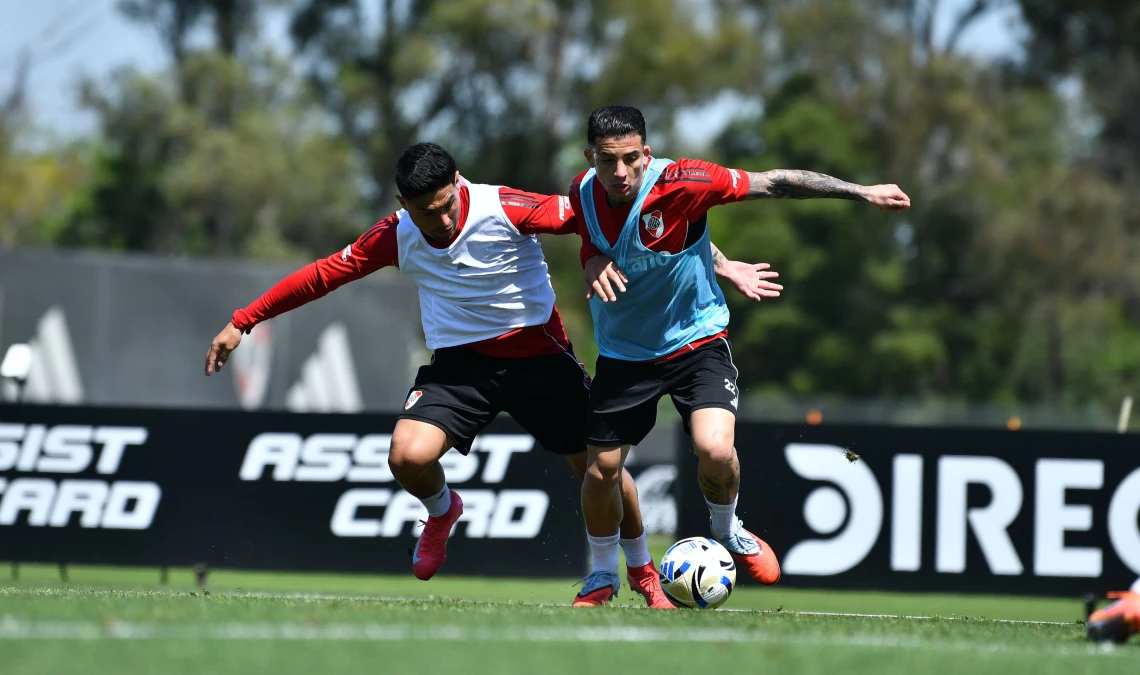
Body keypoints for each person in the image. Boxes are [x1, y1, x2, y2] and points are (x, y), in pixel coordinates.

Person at [205, 142, 779, 608]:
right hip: (461, 368)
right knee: (406, 456)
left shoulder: (505, 206)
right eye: (425, 212)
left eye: (446, 204)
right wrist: (243, 320)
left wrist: (717, 262)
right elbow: (322, 275)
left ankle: (642, 574)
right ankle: (442, 511)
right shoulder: (396, 235)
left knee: (600, 469)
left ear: (459, 183)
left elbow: (625, 222)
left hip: (541, 359)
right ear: (404, 204)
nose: (441, 220)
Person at [568, 105, 910, 606]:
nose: (619, 172)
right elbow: (619, 240)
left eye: (630, 159)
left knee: (715, 450)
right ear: (589, 157)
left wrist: (861, 191)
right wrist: (590, 257)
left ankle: (727, 528)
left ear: (646, 153)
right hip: (625, 354)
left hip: (698, 341)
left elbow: (775, 182)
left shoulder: (686, 181)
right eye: (606, 160)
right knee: (600, 471)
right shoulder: (581, 193)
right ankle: (603, 575)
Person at [1087, 578, 1140, 643]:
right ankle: (1107, 627)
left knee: (1094, 622)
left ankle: (1108, 628)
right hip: (1133, 602)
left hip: (1131, 601)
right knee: (1095, 623)